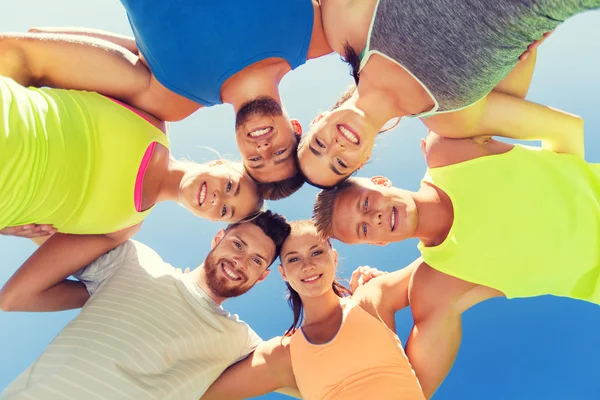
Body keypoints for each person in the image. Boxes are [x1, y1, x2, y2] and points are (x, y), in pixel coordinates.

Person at [311, 95, 599, 396]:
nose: (376, 217)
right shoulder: (435, 287)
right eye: (365, 229)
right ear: (378, 242)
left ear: (381, 182)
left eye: (365, 203)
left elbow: (565, 128)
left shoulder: (450, 150)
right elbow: (409, 392)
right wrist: (373, 299)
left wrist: (572, 182)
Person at [0, 43, 262, 312]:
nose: (219, 198)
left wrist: (131, 290)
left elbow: (16, 297)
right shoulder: (148, 110)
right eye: (231, 185)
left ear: (210, 220)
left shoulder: (119, 229)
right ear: (220, 163)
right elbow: (21, 51)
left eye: (224, 211)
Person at [2, 0, 334, 196]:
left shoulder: (172, 100)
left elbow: (35, 54)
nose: (264, 149)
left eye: (256, 161)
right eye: (280, 152)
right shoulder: (318, 33)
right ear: (295, 127)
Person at [298, 0, 600, 187]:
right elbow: (564, 128)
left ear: (318, 119)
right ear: (363, 160)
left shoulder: (344, 27)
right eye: (340, 163)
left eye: (319, 144)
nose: (335, 146)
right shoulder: (453, 120)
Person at [0, 211, 296, 399]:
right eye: (238, 245)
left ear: (262, 276)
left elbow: (313, 378)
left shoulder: (239, 341)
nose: (240, 261)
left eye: (256, 260)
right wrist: (100, 289)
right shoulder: (134, 261)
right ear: (218, 238)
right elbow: (43, 241)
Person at [201, 220, 426, 400]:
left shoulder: (371, 299)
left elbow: (445, 264)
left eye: (316, 252)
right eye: (294, 259)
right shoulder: (281, 356)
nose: (307, 265)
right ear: (283, 274)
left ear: (334, 258)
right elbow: (198, 393)